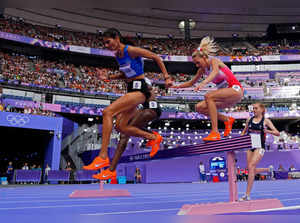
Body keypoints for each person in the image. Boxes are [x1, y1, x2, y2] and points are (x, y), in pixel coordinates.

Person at [83, 28, 172, 171]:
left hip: (140, 89)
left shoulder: (130, 50)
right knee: (120, 127)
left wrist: (166, 77)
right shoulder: (118, 55)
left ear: (117, 38)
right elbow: (127, 74)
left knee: (107, 112)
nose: (106, 45)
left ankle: (103, 157)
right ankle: (153, 138)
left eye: (108, 42)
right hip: (131, 89)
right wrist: (110, 77)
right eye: (104, 43)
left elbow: (155, 57)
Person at [171, 36, 243, 141]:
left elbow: (214, 72)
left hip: (235, 90)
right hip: (226, 98)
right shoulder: (202, 70)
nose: (196, 65)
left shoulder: (214, 61)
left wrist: (203, 83)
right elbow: (191, 82)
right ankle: (226, 119)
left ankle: (215, 132)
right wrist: (175, 86)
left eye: (198, 62)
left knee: (208, 96)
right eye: (195, 63)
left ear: (204, 57)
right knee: (199, 107)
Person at [92, 87, 161, 180]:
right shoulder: (134, 93)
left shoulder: (139, 87)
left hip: (149, 109)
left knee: (124, 134)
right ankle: (111, 170)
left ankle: (154, 137)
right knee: (124, 133)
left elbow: (146, 91)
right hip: (148, 109)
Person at [239, 103, 280, 201]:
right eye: (253, 108)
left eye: (256, 108)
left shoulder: (266, 121)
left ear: (262, 109)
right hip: (250, 146)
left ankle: (247, 195)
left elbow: (277, 133)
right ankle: (267, 170)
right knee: (250, 169)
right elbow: (244, 132)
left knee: (251, 167)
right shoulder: (249, 120)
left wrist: (268, 131)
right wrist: (241, 140)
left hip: (259, 146)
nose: (254, 110)